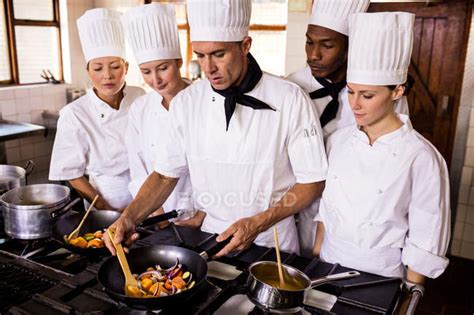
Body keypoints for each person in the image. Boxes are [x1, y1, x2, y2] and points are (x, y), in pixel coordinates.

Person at [105, 0, 328, 257]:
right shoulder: (187, 103)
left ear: (245, 45)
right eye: (200, 55)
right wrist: (129, 217)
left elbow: (312, 181)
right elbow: (166, 174)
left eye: (219, 54)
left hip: (271, 241)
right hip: (211, 237)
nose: (208, 68)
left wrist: (258, 222)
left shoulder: (289, 97)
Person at [313, 12, 450, 284]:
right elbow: (326, 208)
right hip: (326, 267)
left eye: (368, 95)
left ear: (397, 91)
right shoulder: (338, 141)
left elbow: (426, 235)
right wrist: (316, 254)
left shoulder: (421, 156)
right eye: (351, 91)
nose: (355, 104)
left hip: (379, 278)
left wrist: (409, 295)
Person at [287, 0, 410, 257]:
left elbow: (393, 159)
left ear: (351, 47)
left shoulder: (384, 98)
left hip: (356, 219)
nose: (313, 55)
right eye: (309, 42)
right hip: (297, 210)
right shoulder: (292, 88)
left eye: (327, 45)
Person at [49, 8, 145, 210]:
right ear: (88, 70)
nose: (107, 75)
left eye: (115, 66)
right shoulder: (74, 114)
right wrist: (105, 209)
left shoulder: (140, 97)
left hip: (147, 199)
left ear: (126, 67)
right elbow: (71, 174)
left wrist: (147, 204)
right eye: (98, 68)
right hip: (105, 203)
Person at [122, 3, 194, 223]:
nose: (156, 79)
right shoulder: (140, 109)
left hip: (199, 212)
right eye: (146, 71)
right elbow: (137, 166)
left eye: (163, 68)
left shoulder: (201, 101)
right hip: (155, 213)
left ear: (179, 62)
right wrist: (154, 210)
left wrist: (203, 211)